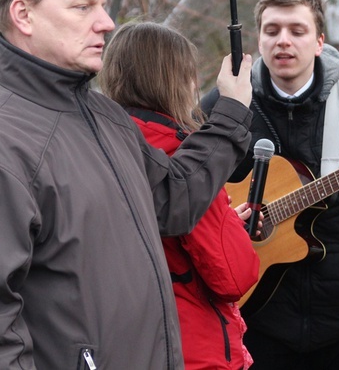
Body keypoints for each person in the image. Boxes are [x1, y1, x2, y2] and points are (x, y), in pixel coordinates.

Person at [0, 0, 254, 369]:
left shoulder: (107, 118)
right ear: (22, 15)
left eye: (101, 5)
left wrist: (229, 113)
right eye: (83, 7)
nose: (106, 23)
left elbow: (173, 201)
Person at [202, 0, 339, 370]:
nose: (283, 41)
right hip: (256, 318)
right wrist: (228, 223)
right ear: (258, 39)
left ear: (320, 42)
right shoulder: (224, 105)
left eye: (297, 31)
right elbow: (193, 192)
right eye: (272, 31)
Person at [99, 21, 260, 370]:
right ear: (173, 81)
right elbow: (235, 275)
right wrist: (228, 228)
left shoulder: (100, 145)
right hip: (191, 351)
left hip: (122, 345)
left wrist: (226, 220)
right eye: (189, 76)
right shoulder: (182, 158)